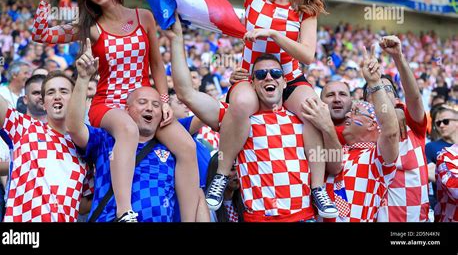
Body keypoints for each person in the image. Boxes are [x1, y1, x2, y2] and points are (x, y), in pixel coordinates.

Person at [166, 0, 337, 217]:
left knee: (312, 108)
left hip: (290, 78)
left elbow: (308, 55)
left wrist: (273, 34)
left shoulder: (306, 7)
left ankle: (317, 188)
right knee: (242, 103)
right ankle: (222, 174)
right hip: (251, 75)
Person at [31, 0, 199, 222]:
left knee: (187, 147)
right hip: (108, 104)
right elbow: (42, 34)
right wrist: (45, 0)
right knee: (128, 130)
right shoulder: (91, 27)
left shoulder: (144, 16)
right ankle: (124, 212)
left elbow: (156, 63)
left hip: (145, 104)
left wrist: (164, 100)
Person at [166, 17, 342, 222]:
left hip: (303, 218)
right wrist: (177, 40)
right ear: (252, 83)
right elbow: (186, 93)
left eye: (276, 73)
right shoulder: (238, 119)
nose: (269, 77)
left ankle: (317, 190)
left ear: (285, 83)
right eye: (261, 74)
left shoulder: (305, 117)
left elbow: (336, 166)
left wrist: (327, 126)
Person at [67, 43, 209, 222]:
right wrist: (83, 79)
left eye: (156, 105)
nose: (150, 107)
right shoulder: (107, 139)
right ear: (126, 110)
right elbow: (73, 128)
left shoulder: (173, 142)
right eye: (142, 102)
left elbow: (207, 112)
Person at [0, 71, 88, 222]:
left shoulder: (87, 146)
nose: (57, 96)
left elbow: (84, 203)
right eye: (51, 92)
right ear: (44, 103)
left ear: (76, 100)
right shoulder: (24, 128)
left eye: (64, 91)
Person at [320, 46, 400, 222]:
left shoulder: (377, 156)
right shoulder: (337, 151)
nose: (348, 114)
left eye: (355, 112)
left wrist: (374, 83)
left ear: (372, 124)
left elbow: (391, 131)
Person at [367, 36, 429, 222]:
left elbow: (415, 98)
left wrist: (398, 58)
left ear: (396, 99)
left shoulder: (412, 125)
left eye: (387, 89)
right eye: (375, 90)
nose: (382, 93)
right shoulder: (360, 132)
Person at [427, 104, 458, 217]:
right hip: (446, 208)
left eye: (445, 121)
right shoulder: (431, 147)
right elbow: (430, 173)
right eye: (437, 123)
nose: (441, 125)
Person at [206, 151, 244, 222]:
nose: (237, 173)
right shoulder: (208, 207)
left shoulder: (245, 201)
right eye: (232, 169)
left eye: (238, 168)